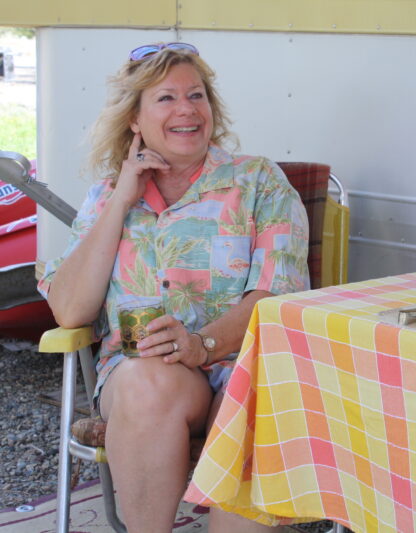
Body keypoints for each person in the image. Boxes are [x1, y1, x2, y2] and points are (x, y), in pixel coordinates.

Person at [38, 43, 310, 533]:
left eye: (196, 95)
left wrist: (202, 345)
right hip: (145, 381)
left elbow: (276, 296)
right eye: (166, 98)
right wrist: (121, 201)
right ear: (134, 119)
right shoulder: (107, 195)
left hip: (242, 370)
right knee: (146, 380)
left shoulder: (257, 182)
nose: (187, 109)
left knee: (255, 399)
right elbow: (70, 310)